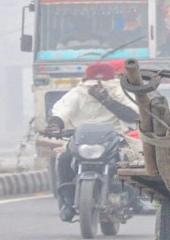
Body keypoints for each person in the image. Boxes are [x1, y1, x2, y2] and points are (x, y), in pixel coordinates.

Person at [46, 62, 141, 221]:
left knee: (131, 161)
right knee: (64, 159)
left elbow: (133, 115)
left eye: (102, 82)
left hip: (115, 138)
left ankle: (134, 199)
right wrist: (55, 124)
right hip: (81, 139)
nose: (97, 85)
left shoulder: (119, 92)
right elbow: (62, 110)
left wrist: (107, 100)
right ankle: (67, 203)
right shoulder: (77, 93)